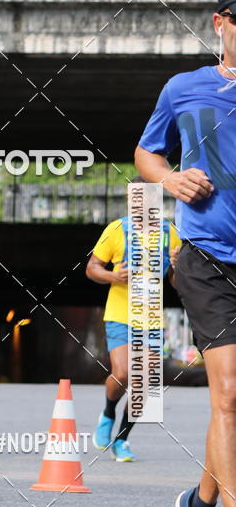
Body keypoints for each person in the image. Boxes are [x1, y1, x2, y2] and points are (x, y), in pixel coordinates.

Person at [135, 0, 236, 507]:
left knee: (234, 401)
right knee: (227, 397)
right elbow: (148, 155)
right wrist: (169, 180)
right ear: (221, 23)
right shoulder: (184, 88)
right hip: (206, 259)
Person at [86, 183, 179, 462]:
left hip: (151, 317)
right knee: (123, 374)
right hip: (120, 314)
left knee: (145, 383)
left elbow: (175, 281)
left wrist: (176, 265)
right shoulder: (117, 230)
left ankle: (122, 439)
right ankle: (107, 412)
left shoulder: (169, 233)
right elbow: (92, 268)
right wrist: (115, 277)